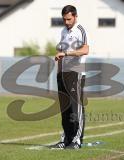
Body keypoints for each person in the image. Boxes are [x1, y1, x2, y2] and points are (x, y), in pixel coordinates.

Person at [50, 5, 89, 149]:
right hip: (63, 73)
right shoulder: (63, 31)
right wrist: (59, 73)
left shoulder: (80, 30)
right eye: (64, 19)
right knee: (65, 108)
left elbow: (85, 49)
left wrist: (67, 54)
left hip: (76, 72)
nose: (66, 22)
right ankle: (66, 139)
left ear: (75, 16)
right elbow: (60, 50)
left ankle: (77, 140)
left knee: (75, 108)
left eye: (68, 19)